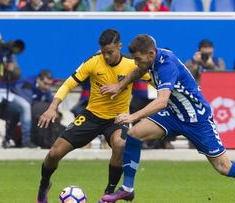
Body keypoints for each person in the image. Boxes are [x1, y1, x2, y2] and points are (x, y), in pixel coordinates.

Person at [99, 34, 235, 203]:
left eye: (138, 59)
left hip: (196, 119)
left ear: (151, 53)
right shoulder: (149, 60)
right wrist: (120, 85)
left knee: (224, 167)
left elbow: (161, 101)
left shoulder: (166, 65)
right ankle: (128, 189)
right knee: (134, 133)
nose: (136, 63)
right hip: (173, 114)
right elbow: (139, 71)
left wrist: (132, 116)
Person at [35, 29, 150, 203]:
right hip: (91, 116)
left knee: (120, 144)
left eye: (110, 52)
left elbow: (155, 79)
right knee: (54, 153)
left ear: (119, 46)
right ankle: (44, 185)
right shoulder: (93, 62)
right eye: (103, 52)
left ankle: (108, 193)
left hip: (118, 118)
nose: (106, 56)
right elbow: (68, 84)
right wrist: (52, 107)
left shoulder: (132, 64)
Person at [0, 28, 36, 148]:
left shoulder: (7, 53)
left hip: (7, 91)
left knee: (25, 106)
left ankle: (26, 140)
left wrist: (12, 69)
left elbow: (18, 75)